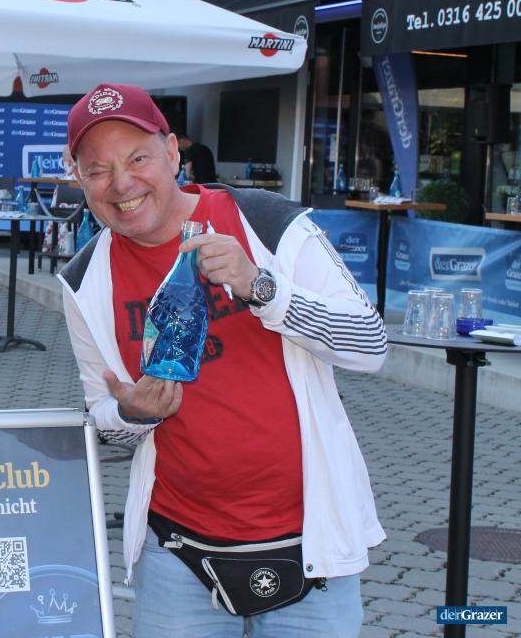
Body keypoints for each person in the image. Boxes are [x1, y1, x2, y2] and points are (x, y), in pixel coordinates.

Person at [58, 83, 386, 638]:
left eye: (137, 158)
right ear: (80, 180)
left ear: (173, 153)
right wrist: (135, 413)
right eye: (97, 170)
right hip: (178, 555)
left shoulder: (267, 223)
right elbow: (104, 419)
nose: (121, 183)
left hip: (313, 546)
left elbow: (370, 344)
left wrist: (262, 287)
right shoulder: (84, 280)